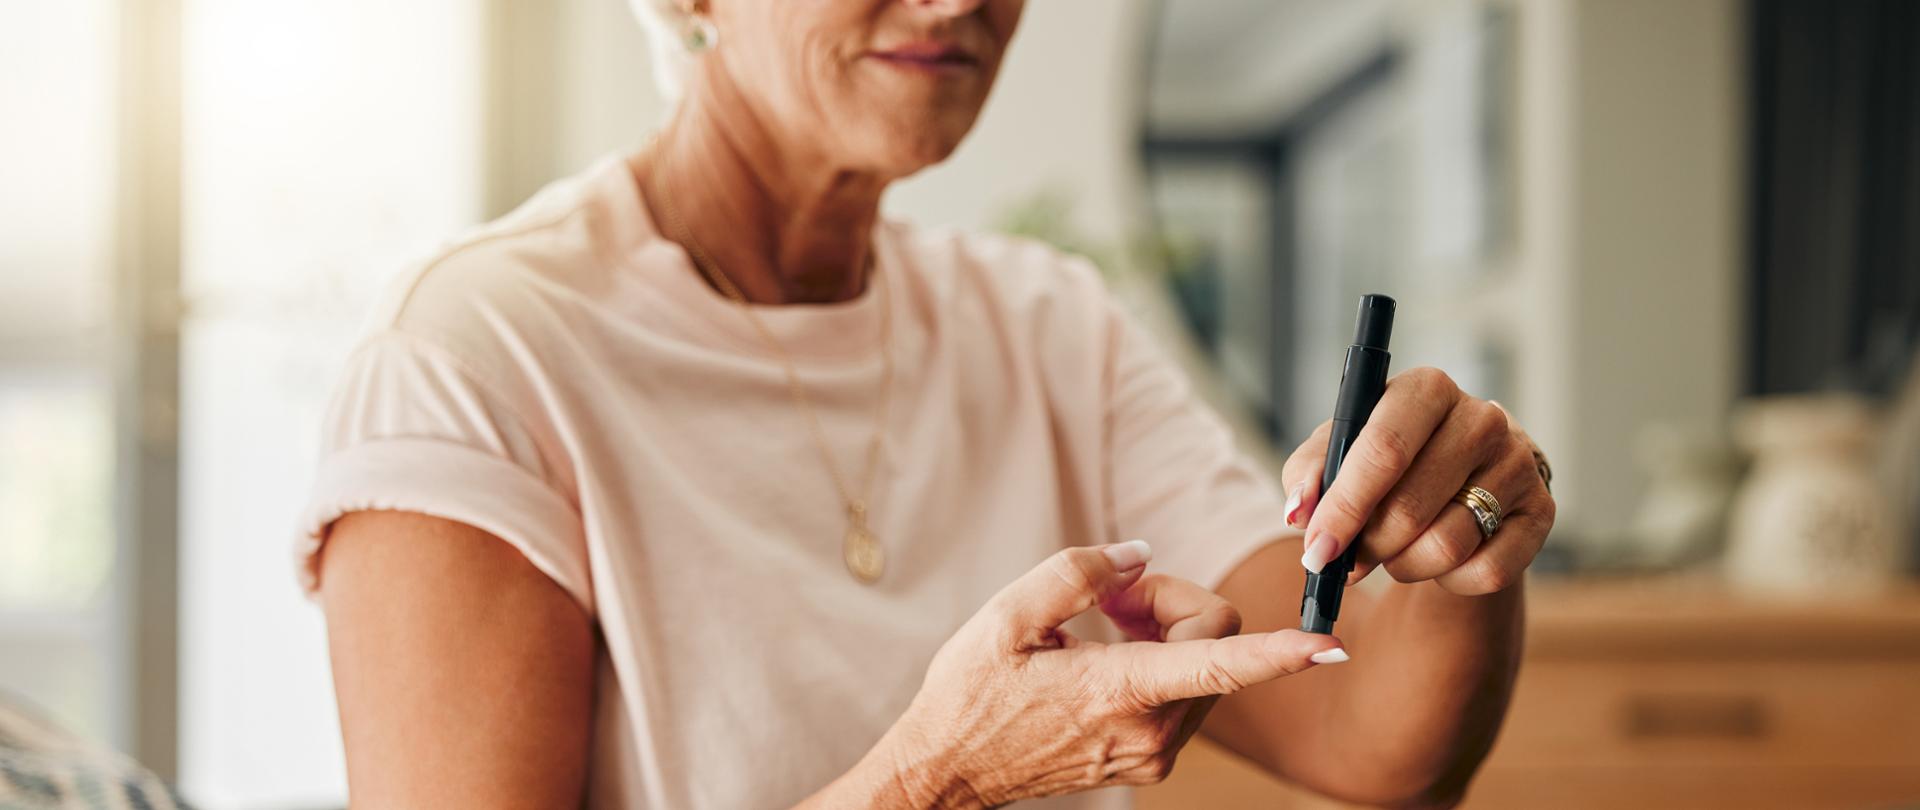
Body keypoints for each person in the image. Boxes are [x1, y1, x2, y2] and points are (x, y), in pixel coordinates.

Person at [298, 0, 1556, 807]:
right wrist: (933, 779)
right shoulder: (472, 356)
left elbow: (1370, 739)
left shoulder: (1047, 323)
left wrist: (1463, 556)